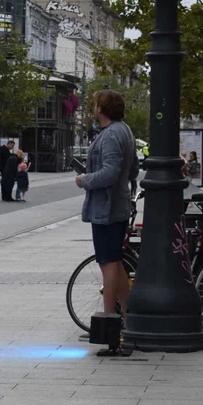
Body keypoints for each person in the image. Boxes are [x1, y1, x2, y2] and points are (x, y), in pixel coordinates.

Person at [75, 90, 136, 316]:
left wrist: (85, 180)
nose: (93, 109)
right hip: (119, 204)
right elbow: (133, 169)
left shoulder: (110, 135)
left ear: (101, 109)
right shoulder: (125, 131)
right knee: (115, 261)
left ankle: (108, 319)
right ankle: (128, 316)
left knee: (108, 264)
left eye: (95, 105)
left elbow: (109, 173)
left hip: (106, 208)